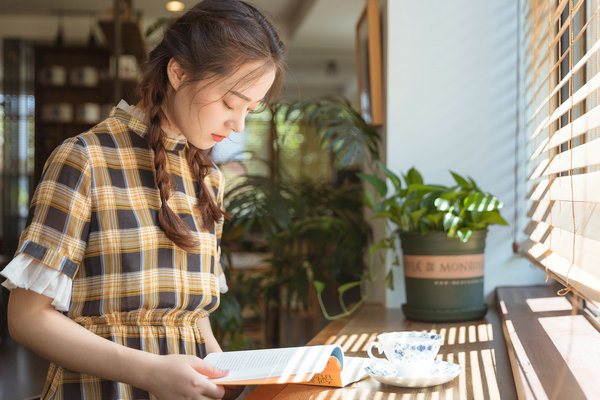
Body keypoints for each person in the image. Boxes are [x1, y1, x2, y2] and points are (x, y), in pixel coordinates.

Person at [0, 0, 285, 398]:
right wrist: (150, 372)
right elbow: (26, 319)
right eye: (230, 103)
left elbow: (192, 316)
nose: (238, 124)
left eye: (250, 110)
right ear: (179, 72)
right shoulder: (85, 159)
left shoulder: (208, 179)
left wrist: (224, 377)